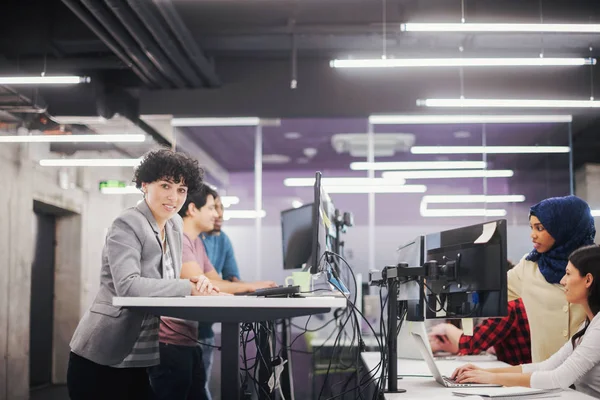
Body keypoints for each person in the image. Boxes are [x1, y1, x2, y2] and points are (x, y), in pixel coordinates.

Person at [67, 149, 214, 400]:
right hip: (104, 355)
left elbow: (165, 281)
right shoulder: (127, 224)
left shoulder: (174, 224)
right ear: (145, 185)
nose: (173, 196)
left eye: (181, 189)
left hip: (140, 357)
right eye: (166, 185)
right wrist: (185, 287)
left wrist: (193, 281)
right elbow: (128, 286)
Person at [451, 245, 600, 398]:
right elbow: (546, 367)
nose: (562, 281)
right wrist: (483, 372)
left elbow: (558, 378)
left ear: (588, 280)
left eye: (568, 274)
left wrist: (491, 378)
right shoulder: (589, 324)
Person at [198, 191, 276, 399]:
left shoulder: (222, 240)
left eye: (221, 208)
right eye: (213, 208)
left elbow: (231, 280)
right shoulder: (190, 239)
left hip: (204, 328)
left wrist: (253, 288)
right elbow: (202, 283)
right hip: (183, 326)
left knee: (200, 384)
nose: (219, 214)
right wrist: (249, 287)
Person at [507, 195, 595, 363]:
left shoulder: (595, 265)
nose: (533, 235)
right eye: (531, 227)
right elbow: (493, 290)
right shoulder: (528, 267)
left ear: (563, 228)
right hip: (545, 377)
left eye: (540, 228)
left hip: (590, 379)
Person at [429, 261, 532, 366]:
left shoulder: (508, 305)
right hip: (516, 372)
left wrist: (447, 328)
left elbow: (470, 344)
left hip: (520, 376)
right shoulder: (510, 302)